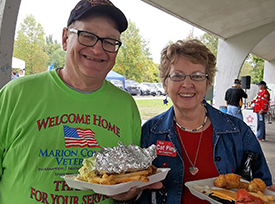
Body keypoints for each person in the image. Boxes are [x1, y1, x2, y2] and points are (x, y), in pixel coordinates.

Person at [0, 0, 161, 203]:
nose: (97, 49)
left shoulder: (126, 105)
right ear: (66, 38)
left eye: (109, 41)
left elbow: (131, 177)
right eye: (87, 36)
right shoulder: (16, 94)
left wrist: (129, 193)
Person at [138, 39, 274, 204]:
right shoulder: (150, 132)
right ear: (165, 85)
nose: (187, 84)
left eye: (197, 76)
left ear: (208, 84)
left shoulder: (238, 132)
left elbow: (262, 186)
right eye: (177, 76)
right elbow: (138, 193)